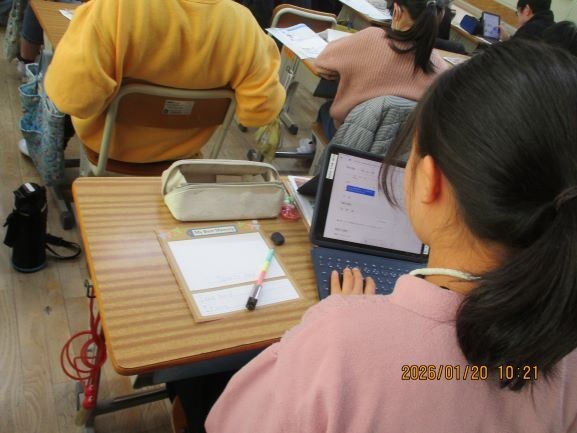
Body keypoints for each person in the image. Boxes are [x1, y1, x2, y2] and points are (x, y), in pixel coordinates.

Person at [205, 39, 577, 432]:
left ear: (430, 180)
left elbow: (226, 423)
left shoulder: (339, 344)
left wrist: (342, 319)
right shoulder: (566, 356)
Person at [44, 0, 285, 163]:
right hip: (185, 154)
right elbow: (259, 113)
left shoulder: (115, 8)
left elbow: (73, 100)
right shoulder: (243, 25)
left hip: (108, 148)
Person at [313, 0, 448, 140]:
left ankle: (313, 148)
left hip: (349, 137)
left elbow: (321, 64)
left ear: (397, 11)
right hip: (399, 147)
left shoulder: (372, 38)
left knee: (326, 109)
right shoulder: (441, 70)